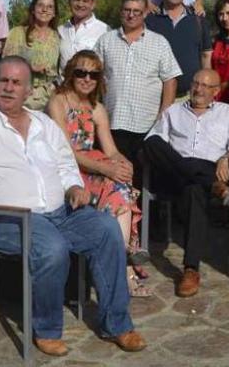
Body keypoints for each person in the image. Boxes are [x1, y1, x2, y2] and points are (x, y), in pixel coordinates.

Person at [0, 56, 146, 356]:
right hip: (1, 219)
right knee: (51, 247)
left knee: (106, 229)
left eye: (16, 83)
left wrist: (73, 186)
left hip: (58, 212)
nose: (9, 88)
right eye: (4, 81)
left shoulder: (43, 124)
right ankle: (47, 328)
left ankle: (117, 324)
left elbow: (64, 162)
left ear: (28, 91)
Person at [46, 51, 151, 298]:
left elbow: (111, 150)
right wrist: (107, 168)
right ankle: (124, 263)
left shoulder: (97, 108)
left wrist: (125, 165)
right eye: (81, 72)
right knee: (115, 185)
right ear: (71, 73)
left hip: (92, 165)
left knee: (121, 184)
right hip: (68, 168)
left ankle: (121, 256)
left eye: (93, 74)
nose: (87, 79)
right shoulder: (58, 103)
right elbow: (65, 152)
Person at [143, 69, 229, 297]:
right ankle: (211, 184)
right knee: (152, 142)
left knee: (193, 189)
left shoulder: (227, 113)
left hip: (210, 169)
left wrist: (227, 158)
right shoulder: (173, 111)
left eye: (205, 86)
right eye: (195, 83)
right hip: (174, 175)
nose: (198, 89)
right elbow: (153, 142)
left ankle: (190, 269)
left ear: (216, 91)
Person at [93, 0, 182, 187]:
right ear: (120, 12)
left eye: (136, 11)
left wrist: (163, 114)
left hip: (145, 125)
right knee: (113, 181)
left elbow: (170, 80)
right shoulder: (106, 40)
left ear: (144, 14)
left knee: (142, 181)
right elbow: (93, 74)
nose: (131, 15)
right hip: (112, 123)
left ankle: (142, 218)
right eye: (127, 10)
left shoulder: (159, 42)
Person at [145, 0, 212, 102]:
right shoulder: (149, 21)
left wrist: (207, 90)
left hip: (189, 98)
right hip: (154, 100)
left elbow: (206, 57)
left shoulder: (198, 20)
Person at [2, 0, 61, 110]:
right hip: (23, 97)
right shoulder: (18, 33)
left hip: (49, 99)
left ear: (54, 13)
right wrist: (29, 67)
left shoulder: (57, 36)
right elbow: (6, 64)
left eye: (50, 7)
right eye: (40, 5)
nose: (45, 10)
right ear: (33, 10)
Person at [58, 0, 109, 71]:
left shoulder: (105, 31)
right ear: (69, 1)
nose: (80, 5)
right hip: (63, 84)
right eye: (76, 0)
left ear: (93, 4)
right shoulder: (61, 30)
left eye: (85, 1)